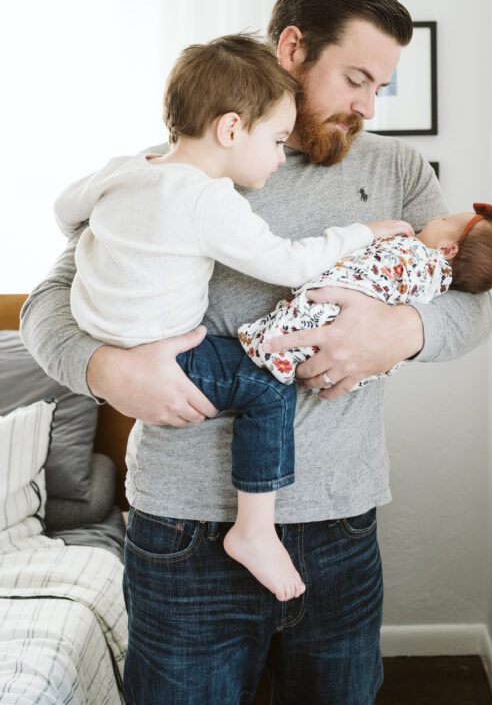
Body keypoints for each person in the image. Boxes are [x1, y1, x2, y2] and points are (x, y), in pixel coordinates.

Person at [21, 0, 492, 705]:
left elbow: (470, 309)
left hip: (339, 522)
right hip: (184, 531)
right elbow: (45, 301)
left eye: (381, 86)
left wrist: (396, 332)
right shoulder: (181, 166)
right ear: (294, 49)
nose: (369, 105)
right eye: (355, 79)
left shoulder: (398, 168)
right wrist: (103, 371)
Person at [53, 34, 412, 603]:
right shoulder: (209, 198)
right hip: (169, 359)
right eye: (273, 139)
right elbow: (288, 262)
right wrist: (364, 233)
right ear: (229, 130)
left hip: (110, 331)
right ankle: (254, 527)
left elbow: (65, 208)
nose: (278, 154)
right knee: (268, 381)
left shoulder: (129, 169)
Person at [239, 203, 492, 389]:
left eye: (443, 220)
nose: (435, 217)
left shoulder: (417, 254)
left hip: (292, 346)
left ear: (447, 251)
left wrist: (402, 330)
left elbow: (478, 309)